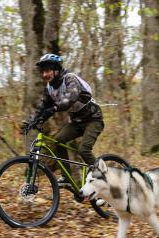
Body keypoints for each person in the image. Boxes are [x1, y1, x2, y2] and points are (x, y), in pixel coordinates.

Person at [22, 53, 104, 187]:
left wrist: (53, 108)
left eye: (47, 71)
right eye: (42, 72)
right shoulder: (49, 88)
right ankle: (67, 177)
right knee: (58, 140)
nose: (44, 75)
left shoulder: (70, 79)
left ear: (56, 69)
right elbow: (42, 107)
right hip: (77, 122)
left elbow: (69, 99)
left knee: (84, 150)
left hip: (93, 120)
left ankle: (102, 176)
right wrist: (31, 121)